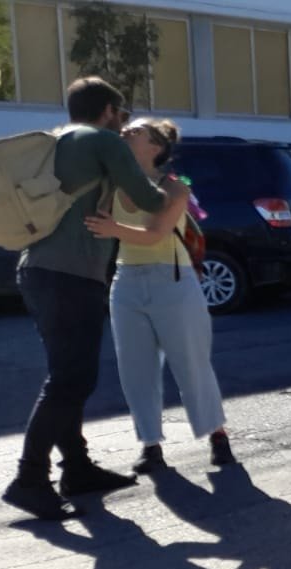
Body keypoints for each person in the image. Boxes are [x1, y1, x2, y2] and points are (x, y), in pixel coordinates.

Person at [1, 77, 171, 521]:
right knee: (70, 379)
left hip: (41, 271)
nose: (124, 123)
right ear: (108, 110)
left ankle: (76, 468)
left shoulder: (59, 139)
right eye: (122, 114)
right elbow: (149, 198)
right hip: (70, 275)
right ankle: (29, 479)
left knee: (68, 375)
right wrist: (170, 182)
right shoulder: (103, 140)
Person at [84, 118, 234, 475]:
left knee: (191, 365)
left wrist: (113, 228)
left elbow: (155, 234)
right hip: (126, 282)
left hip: (172, 280)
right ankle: (151, 445)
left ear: (156, 147)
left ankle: (217, 435)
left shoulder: (175, 188)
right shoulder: (112, 184)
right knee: (135, 370)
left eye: (135, 131)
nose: (126, 132)